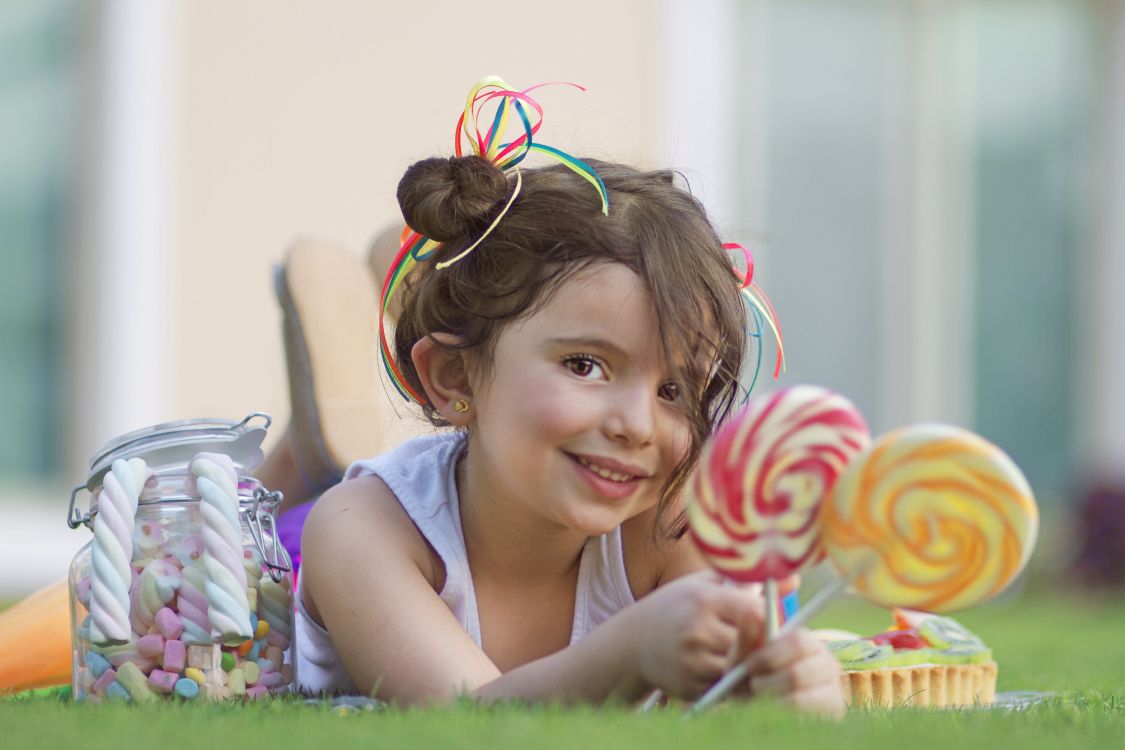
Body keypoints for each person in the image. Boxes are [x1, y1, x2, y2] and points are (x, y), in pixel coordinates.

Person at [293, 81, 845, 714]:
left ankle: (404, 293)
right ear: (453, 377)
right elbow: (468, 720)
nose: (639, 426)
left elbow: (728, 703)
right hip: (289, 543)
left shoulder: (669, 526)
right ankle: (303, 450)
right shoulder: (359, 531)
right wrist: (631, 649)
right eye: (586, 364)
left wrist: (790, 688)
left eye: (674, 389)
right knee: (296, 500)